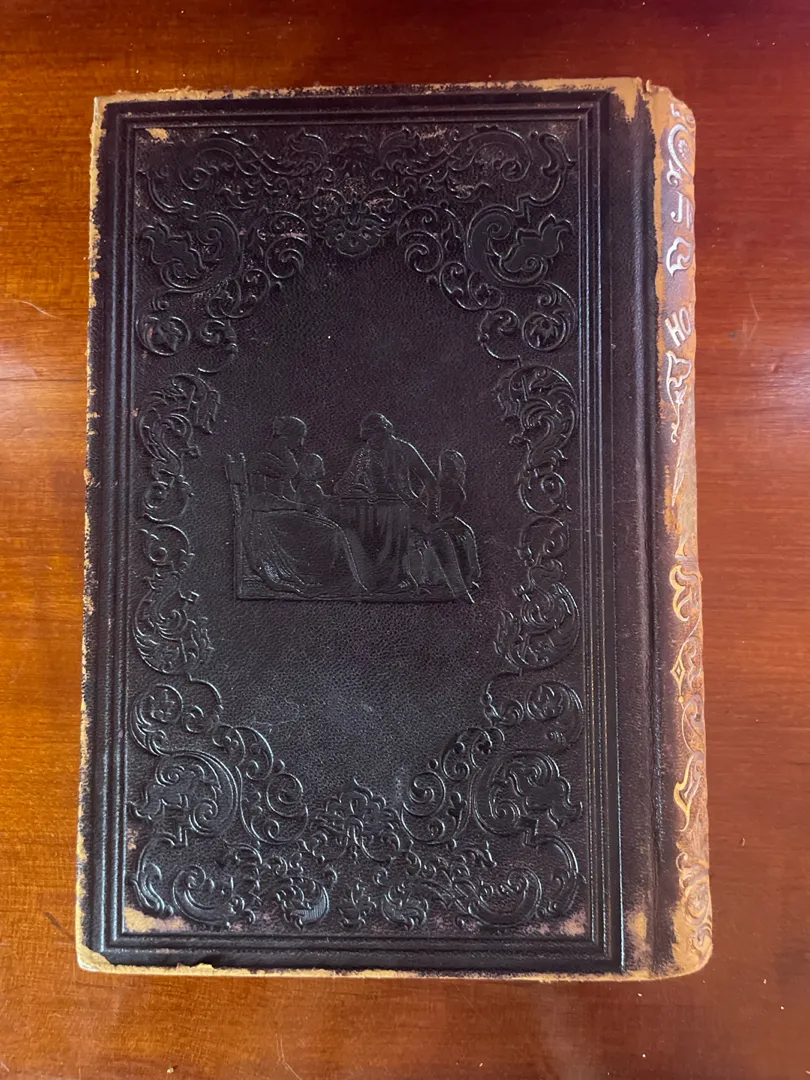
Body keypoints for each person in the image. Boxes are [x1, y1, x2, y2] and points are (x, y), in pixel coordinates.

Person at [334, 413, 436, 593]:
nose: (372, 440)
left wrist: (428, 506)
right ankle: (370, 578)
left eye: (376, 434)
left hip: (403, 504)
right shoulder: (364, 454)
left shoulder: (404, 450)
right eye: (369, 435)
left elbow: (429, 480)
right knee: (357, 521)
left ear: (386, 431)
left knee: (395, 514)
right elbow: (346, 481)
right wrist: (347, 488)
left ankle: (396, 579)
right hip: (371, 506)